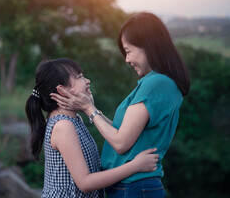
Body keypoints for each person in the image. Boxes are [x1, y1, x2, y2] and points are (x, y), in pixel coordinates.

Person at [50, 12, 190, 197]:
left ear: (148, 45)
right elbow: (121, 131)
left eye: (129, 51)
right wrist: (92, 109)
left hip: (133, 187)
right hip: (134, 186)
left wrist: (89, 109)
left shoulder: (155, 84)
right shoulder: (161, 83)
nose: (127, 59)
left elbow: (120, 142)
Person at [25, 57, 159, 198]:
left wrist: (91, 108)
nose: (87, 80)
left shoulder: (75, 119)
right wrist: (135, 166)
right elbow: (85, 183)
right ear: (62, 90)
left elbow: (118, 133)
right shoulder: (63, 126)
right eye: (80, 77)